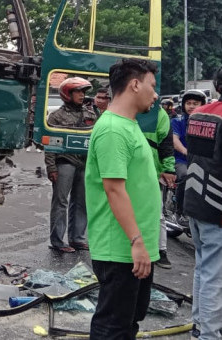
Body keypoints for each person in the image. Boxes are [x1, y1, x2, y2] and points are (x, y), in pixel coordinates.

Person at [85, 58, 160, 339]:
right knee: (112, 327)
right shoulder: (113, 130)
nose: (155, 94)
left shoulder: (128, 125)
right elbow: (114, 189)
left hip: (137, 247)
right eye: (152, 86)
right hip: (121, 248)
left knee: (129, 321)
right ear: (135, 84)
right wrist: (136, 242)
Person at [183, 67, 222, 340]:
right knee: (214, 275)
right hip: (217, 205)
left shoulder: (199, 114)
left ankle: (199, 325)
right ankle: (210, 334)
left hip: (195, 199)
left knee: (202, 267)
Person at [45, 76, 97, 253]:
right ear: (68, 93)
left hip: (85, 163)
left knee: (82, 202)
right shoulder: (56, 116)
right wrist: (51, 167)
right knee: (60, 202)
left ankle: (77, 239)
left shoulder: (91, 114)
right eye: (78, 91)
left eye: (83, 92)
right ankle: (58, 241)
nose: (82, 95)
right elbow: (50, 144)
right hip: (64, 162)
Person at [141, 106, 176, 269]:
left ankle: (161, 250)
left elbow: (166, 143)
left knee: (157, 212)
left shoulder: (159, 113)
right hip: (125, 169)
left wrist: (168, 169)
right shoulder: (122, 109)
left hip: (152, 171)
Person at [171, 89, 206, 227]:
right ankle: (180, 212)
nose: (191, 106)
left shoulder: (208, 121)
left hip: (202, 161)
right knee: (186, 175)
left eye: (195, 103)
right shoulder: (177, 121)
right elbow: (175, 141)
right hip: (181, 160)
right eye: (189, 103)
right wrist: (187, 152)